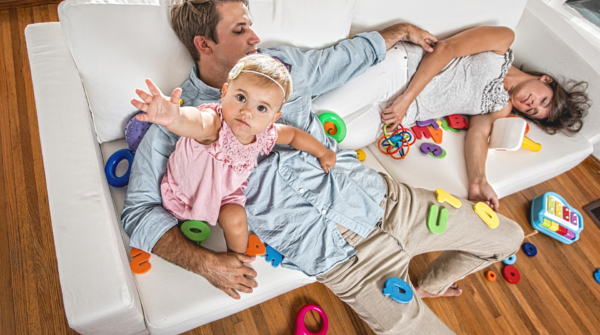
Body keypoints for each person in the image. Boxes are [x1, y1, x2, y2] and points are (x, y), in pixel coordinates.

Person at [122, 1, 524, 333]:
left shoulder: (280, 65)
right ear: (204, 44)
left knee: (509, 237)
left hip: (390, 203)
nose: (255, 38)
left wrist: (400, 30)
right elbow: (138, 214)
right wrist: (207, 263)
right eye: (241, 29)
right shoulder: (178, 124)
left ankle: (429, 286)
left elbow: (347, 57)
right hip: (344, 262)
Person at [311, 26, 590, 211]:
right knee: (322, 113)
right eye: (543, 99)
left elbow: (477, 136)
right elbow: (445, 49)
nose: (531, 104)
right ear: (546, 80)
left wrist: (478, 181)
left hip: (398, 116)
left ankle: (274, 145)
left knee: (335, 137)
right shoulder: (502, 42)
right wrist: (406, 98)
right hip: (401, 71)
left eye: (534, 111)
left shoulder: (500, 108)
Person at [130, 55, 336, 254]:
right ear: (225, 92)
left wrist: (323, 151)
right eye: (241, 98)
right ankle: (190, 223)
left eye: (261, 108)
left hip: (225, 193)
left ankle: (236, 259)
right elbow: (197, 122)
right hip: (185, 191)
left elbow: (292, 135)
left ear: (274, 117)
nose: (247, 112)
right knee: (177, 223)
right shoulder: (215, 124)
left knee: (236, 219)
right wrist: (176, 118)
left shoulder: (264, 133)